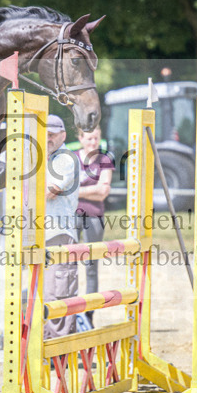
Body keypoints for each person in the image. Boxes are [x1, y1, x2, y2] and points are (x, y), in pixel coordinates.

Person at [43, 114, 81, 340]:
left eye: (52, 134)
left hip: (59, 233)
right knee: (42, 294)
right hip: (39, 233)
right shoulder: (42, 157)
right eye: (45, 134)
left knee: (58, 293)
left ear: (63, 135)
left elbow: (48, 192)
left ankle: (60, 348)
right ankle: (44, 346)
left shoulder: (66, 158)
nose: (48, 138)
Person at [74, 127, 114, 326]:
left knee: (91, 266)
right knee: (67, 263)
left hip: (94, 216)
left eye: (96, 138)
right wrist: (92, 190)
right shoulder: (72, 158)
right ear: (80, 138)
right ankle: (67, 310)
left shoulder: (104, 159)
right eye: (89, 138)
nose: (93, 142)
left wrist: (76, 192)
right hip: (72, 215)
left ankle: (89, 315)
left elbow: (103, 191)